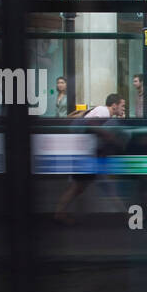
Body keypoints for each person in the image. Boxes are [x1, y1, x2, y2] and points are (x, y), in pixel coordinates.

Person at [54, 94, 129, 223]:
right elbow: (90, 125)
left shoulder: (104, 113)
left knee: (82, 187)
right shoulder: (103, 111)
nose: (124, 109)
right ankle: (127, 215)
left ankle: (60, 212)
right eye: (122, 106)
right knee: (85, 187)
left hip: (90, 155)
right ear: (114, 105)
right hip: (88, 156)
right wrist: (109, 136)